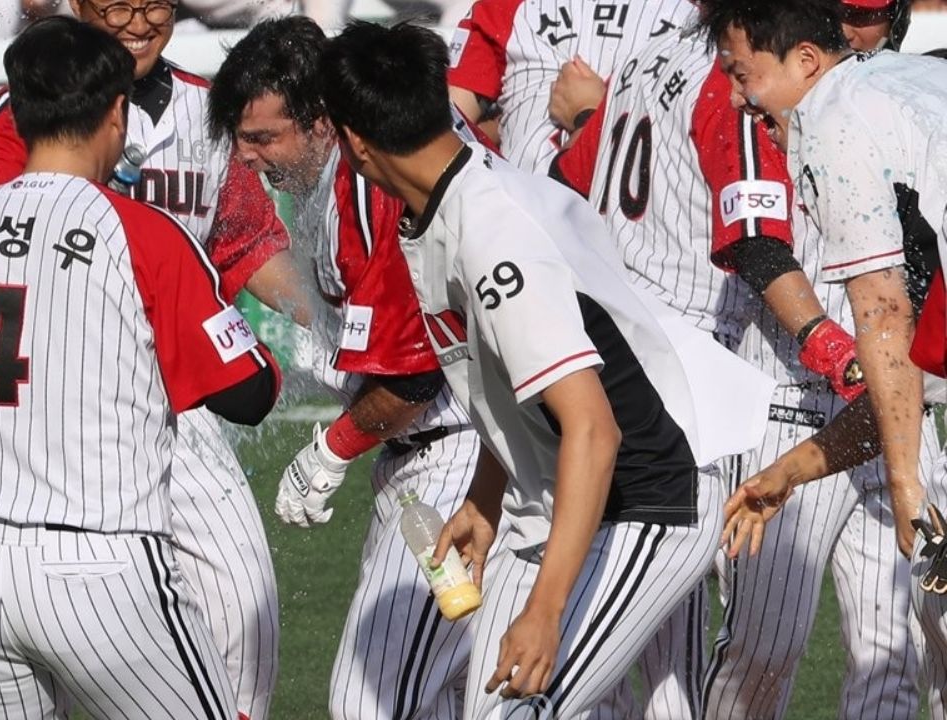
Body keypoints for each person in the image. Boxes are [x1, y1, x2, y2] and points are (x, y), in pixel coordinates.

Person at [319, 20, 772, 719]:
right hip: (563, 499)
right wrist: (484, 497)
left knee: (514, 711)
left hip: (642, 503)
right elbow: (509, 380)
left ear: (353, 140)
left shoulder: (493, 235)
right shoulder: (463, 194)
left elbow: (594, 429)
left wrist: (546, 610)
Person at [0, 16, 281, 719]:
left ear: (18, 115)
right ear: (116, 113)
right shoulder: (142, 233)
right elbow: (250, 394)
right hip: (104, 570)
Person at [547, 2, 935, 716]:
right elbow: (759, 244)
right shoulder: (760, 88)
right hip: (790, 392)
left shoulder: (854, 91)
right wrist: (837, 360)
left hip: (885, 394)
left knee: (897, 653)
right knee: (763, 651)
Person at [210, 17, 485, 719]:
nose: (246, 160)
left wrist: (327, 451)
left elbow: (414, 377)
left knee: (372, 702)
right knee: (462, 693)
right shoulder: (359, 159)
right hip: (443, 453)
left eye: (263, 138)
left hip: (458, 459)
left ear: (324, 122)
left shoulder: (371, 184)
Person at [702, 0, 947, 714]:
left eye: (747, 74)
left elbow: (880, 309)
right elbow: (908, 376)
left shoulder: (831, 118)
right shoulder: (907, 84)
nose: (743, 98)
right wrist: (796, 468)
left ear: (807, 61)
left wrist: (909, 495)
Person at [445, 0, 694, 172]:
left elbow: (441, 137)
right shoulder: (698, 17)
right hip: (645, 232)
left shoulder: (510, 7)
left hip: (529, 226)